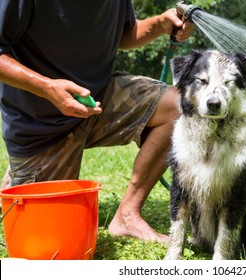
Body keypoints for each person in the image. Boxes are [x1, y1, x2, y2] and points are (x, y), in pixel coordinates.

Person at [0, 0, 194, 242]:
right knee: (54, 237)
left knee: (178, 106)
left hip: (96, 99)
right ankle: (23, 172)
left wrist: (159, 24)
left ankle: (127, 215)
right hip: (42, 124)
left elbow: (124, 34)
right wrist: (46, 87)